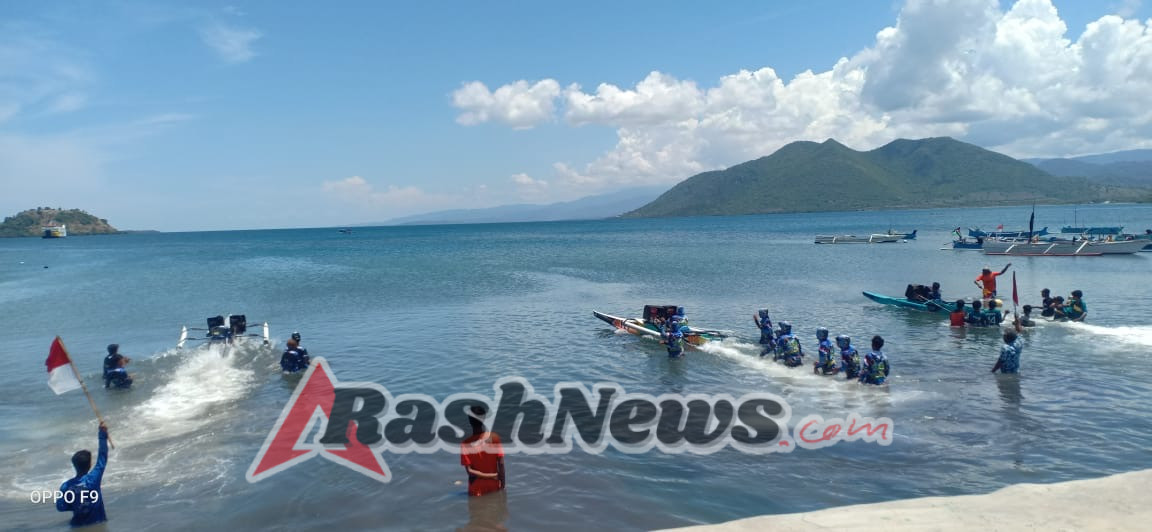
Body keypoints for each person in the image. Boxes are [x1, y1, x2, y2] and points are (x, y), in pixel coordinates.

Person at [57, 422, 109, 527]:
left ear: (74, 465)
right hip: (97, 523)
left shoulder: (66, 486)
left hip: (77, 525)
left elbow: (60, 507)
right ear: (90, 465)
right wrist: (102, 435)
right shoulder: (93, 479)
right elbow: (102, 458)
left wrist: (76, 503)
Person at [461, 405, 505, 497]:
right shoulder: (494, 437)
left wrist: (491, 475)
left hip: (476, 488)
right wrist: (502, 483)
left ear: (470, 421)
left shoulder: (465, 444)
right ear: (484, 419)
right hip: (494, 485)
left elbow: (470, 471)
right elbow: (501, 464)